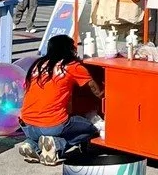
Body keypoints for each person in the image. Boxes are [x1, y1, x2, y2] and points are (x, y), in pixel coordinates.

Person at [18, 34, 102, 164]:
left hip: (27, 124)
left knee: (46, 129)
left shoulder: (38, 65)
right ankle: (56, 145)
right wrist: (105, 94)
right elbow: (95, 90)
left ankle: (30, 144)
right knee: (90, 128)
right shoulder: (72, 66)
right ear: (69, 49)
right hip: (51, 125)